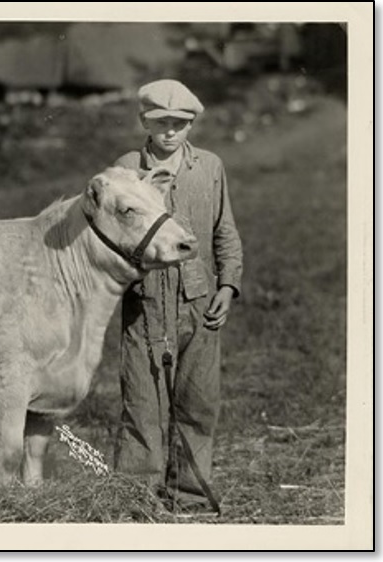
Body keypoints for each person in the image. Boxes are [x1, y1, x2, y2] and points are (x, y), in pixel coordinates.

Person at [113, 79, 243, 513]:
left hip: (199, 304)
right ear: (143, 122)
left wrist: (228, 284)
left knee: (198, 400)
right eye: (160, 123)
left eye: (180, 124)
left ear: (192, 125)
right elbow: (110, 238)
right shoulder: (126, 170)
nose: (170, 132)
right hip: (145, 304)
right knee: (144, 405)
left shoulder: (209, 167)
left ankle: (189, 494)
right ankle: (137, 498)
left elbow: (225, 231)